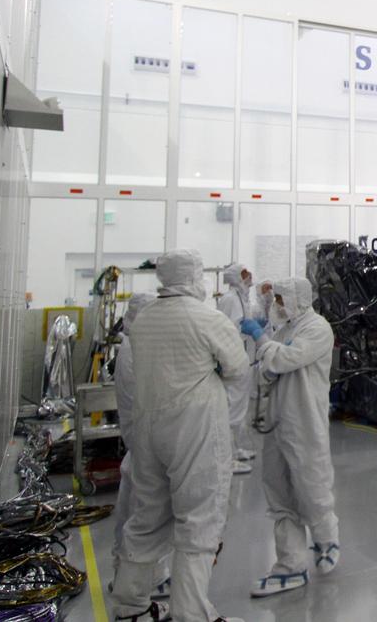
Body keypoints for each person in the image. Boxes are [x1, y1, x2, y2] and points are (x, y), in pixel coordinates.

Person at [110, 249, 248, 622]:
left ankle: (130, 606)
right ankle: (191, 613)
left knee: (147, 518)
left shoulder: (144, 320)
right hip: (195, 429)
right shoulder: (206, 317)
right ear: (193, 276)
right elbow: (237, 366)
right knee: (199, 518)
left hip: (149, 431)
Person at [249, 277, 341, 598]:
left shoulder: (318, 328)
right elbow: (265, 368)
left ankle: (327, 539)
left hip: (304, 419)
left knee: (311, 483)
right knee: (279, 492)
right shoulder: (284, 329)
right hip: (277, 420)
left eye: (280, 299)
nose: (277, 304)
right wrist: (269, 352)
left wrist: (264, 342)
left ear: (297, 299)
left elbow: (285, 359)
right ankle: (291, 564)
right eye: (275, 299)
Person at [111, 292, 170, 602]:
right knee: (147, 509)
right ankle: (145, 577)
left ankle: (127, 570)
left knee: (135, 501)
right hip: (145, 437)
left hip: (139, 438)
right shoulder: (136, 349)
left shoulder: (131, 345)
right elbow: (156, 394)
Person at [216, 263, 257, 475]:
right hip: (235, 359)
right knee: (232, 409)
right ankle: (227, 458)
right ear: (236, 277)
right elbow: (230, 330)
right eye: (244, 273)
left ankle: (234, 449)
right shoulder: (231, 299)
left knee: (239, 409)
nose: (249, 276)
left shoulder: (241, 297)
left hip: (243, 358)